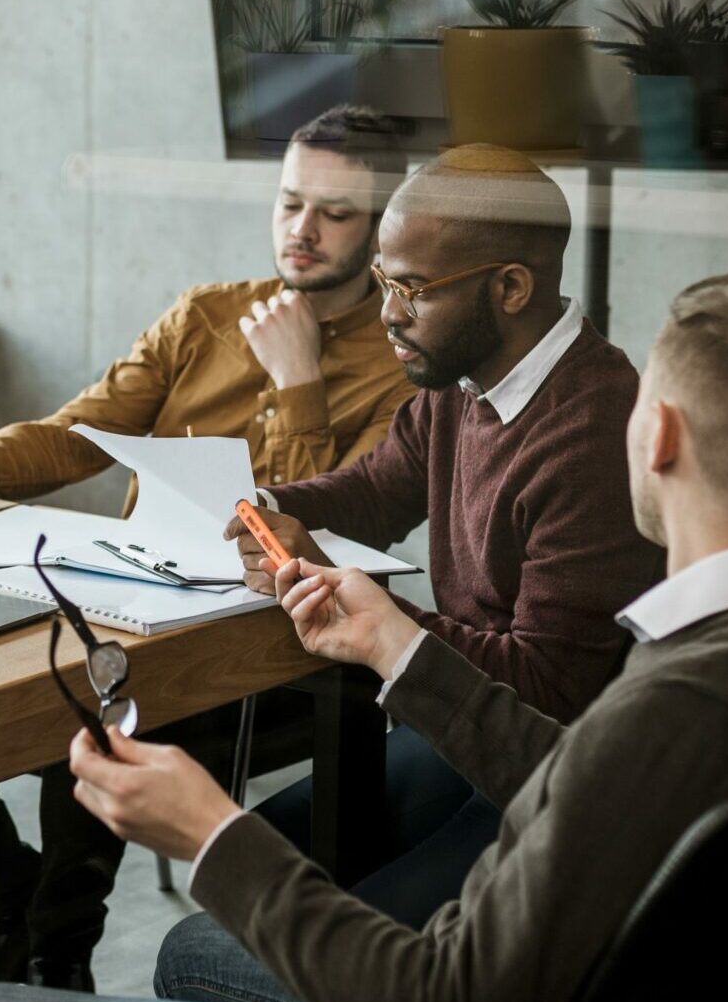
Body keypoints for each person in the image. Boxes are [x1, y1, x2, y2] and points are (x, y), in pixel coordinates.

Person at [0, 269, 728, 1002]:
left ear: (659, 438)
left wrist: (212, 829)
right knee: (201, 948)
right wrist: (399, 648)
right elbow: (599, 788)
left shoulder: (676, 698)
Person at [0, 104, 421, 1002]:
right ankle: (14, 902)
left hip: (280, 649)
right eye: (290, 202)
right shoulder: (206, 316)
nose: (301, 229)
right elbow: (78, 436)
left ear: (381, 229)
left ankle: (57, 957)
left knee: (94, 705)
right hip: (135, 603)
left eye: (334, 214)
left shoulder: (405, 362)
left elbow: (325, 527)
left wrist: (299, 384)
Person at [207, 143, 666, 939]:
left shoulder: (595, 435)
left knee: (270, 937)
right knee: (244, 875)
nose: (387, 313)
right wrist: (262, 506)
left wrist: (381, 623)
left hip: (555, 782)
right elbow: (375, 491)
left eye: (411, 290)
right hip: (462, 734)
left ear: (511, 288)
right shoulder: (466, 380)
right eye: (385, 283)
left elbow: (549, 691)